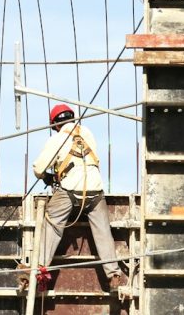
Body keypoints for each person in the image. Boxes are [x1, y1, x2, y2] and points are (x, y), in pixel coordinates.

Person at [26, 104, 127, 292]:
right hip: (95, 191)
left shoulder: (58, 138)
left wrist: (48, 177)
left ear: (55, 125)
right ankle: (113, 274)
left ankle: (39, 269)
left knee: (52, 225)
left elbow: (38, 168)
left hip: (70, 190)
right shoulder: (88, 133)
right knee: (103, 232)